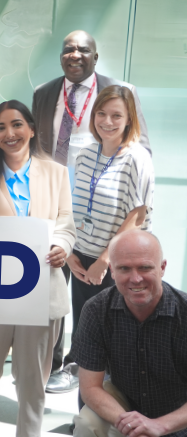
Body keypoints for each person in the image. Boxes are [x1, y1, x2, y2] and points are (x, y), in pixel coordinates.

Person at [31, 29, 151, 394]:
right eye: (69, 49)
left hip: (110, 242)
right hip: (65, 225)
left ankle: (89, 376)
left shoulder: (122, 99)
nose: (75, 54)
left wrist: (106, 258)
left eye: (84, 49)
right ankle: (56, 367)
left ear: (95, 57)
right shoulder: (45, 96)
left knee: (102, 320)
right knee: (58, 302)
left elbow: (138, 208)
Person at [0, 100, 76, 437]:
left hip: (39, 291)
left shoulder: (56, 173)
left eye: (17, 124)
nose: (10, 133)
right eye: (2, 127)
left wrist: (61, 247)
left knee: (34, 380)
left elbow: (66, 225)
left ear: (32, 129)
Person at [66, 84, 155, 394]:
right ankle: (86, 417)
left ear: (129, 118)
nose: (107, 121)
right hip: (81, 259)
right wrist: (69, 251)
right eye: (101, 114)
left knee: (114, 340)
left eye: (116, 115)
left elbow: (137, 217)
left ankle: (113, 418)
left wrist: (104, 261)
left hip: (115, 264)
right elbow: (74, 204)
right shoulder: (86, 153)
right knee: (86, 335)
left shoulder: (137, 157)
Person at [70, 231, 187, 437]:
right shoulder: (97, 310)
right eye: (124, 268)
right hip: (125, 405)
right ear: (112, 271)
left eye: (145, 267)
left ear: (162, 268)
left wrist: (161, 425)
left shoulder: (184, 312)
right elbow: (90, 388)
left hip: (180, 411)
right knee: (88, 422)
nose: (135, 278)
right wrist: (133, 426)